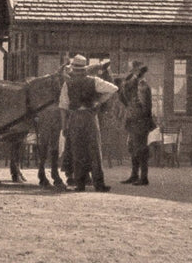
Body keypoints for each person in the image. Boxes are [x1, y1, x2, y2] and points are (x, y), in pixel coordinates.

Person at [58, 54, 118, 192]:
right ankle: (99, 184)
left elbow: (63, 106)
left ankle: (80, 184)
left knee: (77, 151)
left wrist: (64, 126)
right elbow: (114, 88)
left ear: (73, 70)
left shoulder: (68, 84)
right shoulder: (94, 81)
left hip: (75, 118)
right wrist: (100, 100)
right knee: (94, 150)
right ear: (85, 69)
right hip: (90, 117)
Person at [119, 61, 155, 186]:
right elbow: (123, 96)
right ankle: (134, 175)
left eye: (132, 70)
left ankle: (143, 177)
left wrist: (141, 119)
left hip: (140, 122)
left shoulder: (142, 85)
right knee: (132, 147)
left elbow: (146, 107)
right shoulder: (133, 85)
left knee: (141, 149)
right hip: (133, 121)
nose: (130, 72)